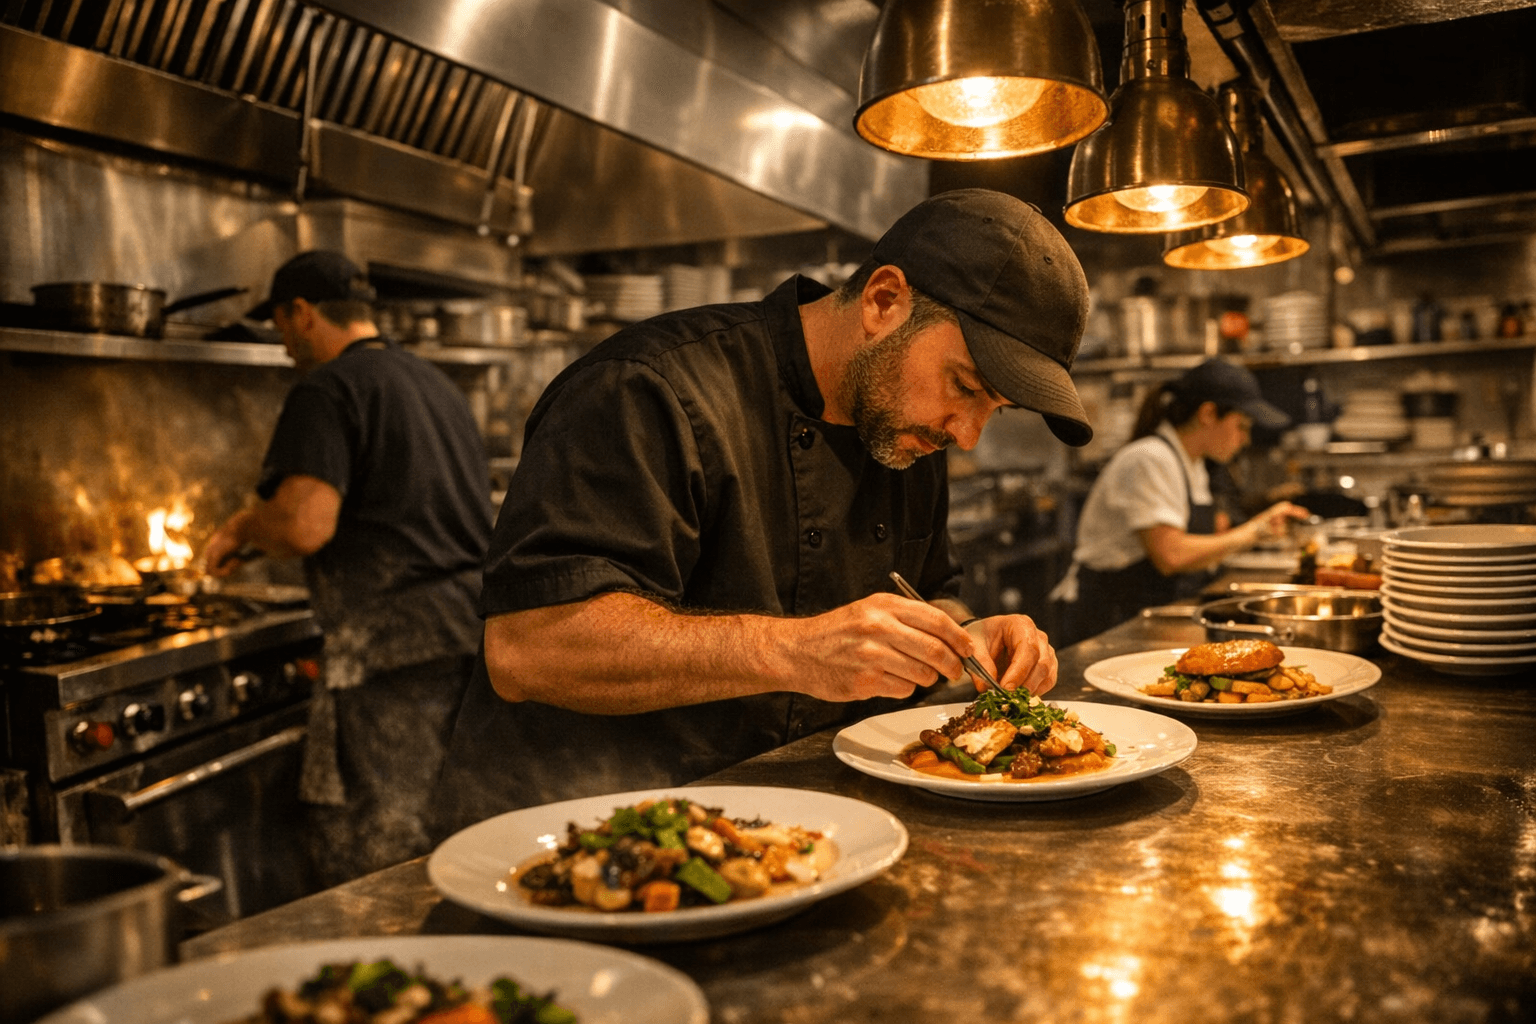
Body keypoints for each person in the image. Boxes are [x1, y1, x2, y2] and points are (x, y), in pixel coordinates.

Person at [430, 188, 1097, 835]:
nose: (968, 434)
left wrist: (966, 636)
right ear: (883, 301)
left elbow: (925, 594)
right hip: (574, 832)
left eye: (995, 409)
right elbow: (529, 648)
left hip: (792, 835)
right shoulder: (648, 388)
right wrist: (795, 651)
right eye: (965, 386)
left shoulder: (906, 431)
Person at [203, 250, 493, 886]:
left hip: (391, 649)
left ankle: (381, 948)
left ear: (302, 313)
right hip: (469, 633)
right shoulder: (433, 383)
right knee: (448, 831)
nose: (282, 343)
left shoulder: (327, 388)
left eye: (280, 324)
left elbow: (304, 524)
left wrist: (243, 528)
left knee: (383, 844)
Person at [1051, 357, 1308, 646]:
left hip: (1150, 613)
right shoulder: (1151, 459)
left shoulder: (1192, 464)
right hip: (1111, 621)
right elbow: (1170, 556)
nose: (1245, 439)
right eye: (1242, 426)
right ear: (1208, 414)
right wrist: (1255, 531)